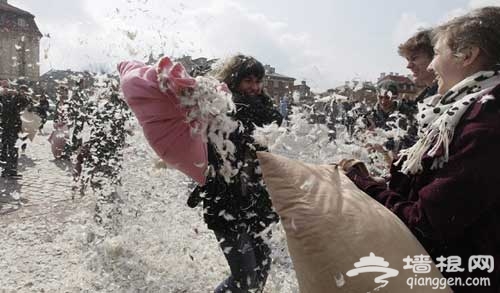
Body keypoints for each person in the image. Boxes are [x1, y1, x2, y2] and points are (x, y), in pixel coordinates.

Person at [343, 7, 500, 292]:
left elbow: (426, 222)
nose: (430, 66)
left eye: (437, 53)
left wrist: (361, 183)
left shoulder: (486, 124)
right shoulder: (463, 113)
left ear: (468, 55)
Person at [187, 55, 283, 293]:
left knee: (260, 274)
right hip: (224, 202)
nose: (255, 86)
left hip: (258, 203)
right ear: (234, 80)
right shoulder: (218, 110)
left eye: (258, 80)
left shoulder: (267, 112)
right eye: (248, 80)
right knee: (245, 279)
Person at [0, 82, 32, 178]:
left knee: (12, 149)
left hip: (14, 128)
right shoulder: (4, 99)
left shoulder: (14, 98)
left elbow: (26, 104)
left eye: (7, 87)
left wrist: (19, 94)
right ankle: (9, 171)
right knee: (8, 149)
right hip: (8, 128)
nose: (6, 89)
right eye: (4, 87)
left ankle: (9, 170)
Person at [398, 29, 438, 102]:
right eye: (408, 60)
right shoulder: (425, 97)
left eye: (414, 58)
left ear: (434, 57)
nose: (409, 66)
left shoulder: (448, 95)